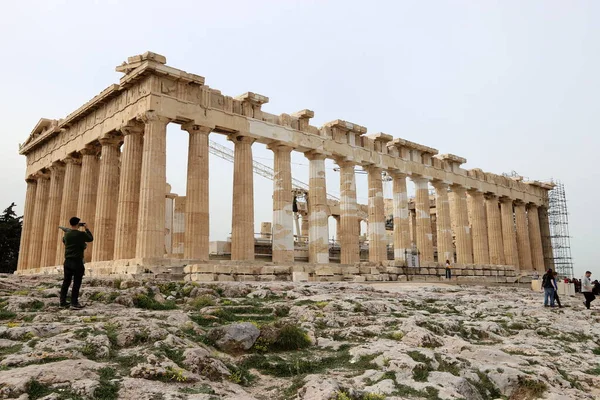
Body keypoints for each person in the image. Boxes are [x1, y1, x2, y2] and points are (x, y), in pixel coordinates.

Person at [59, 217, 93, 309]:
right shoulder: (81, 234)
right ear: (78, 224)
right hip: (77, 261)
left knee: (66, 282)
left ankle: (62, 302)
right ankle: (74, 302)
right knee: (77, 282)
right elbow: (90, 238)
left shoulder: (66, 235)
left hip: (67, 261)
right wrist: (87, 229)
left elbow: (64, 241)